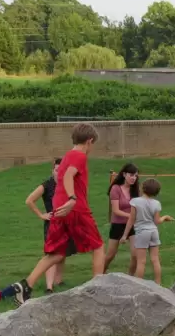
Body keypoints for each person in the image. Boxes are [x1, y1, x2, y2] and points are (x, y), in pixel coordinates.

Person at [9, 123, 104, 305]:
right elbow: (69, 175)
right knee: (98, 246)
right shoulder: (79, 156)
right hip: (74, 208)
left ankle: (26, 285)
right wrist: (72, 198)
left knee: (57, 253)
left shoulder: (67, 155)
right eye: (93, 145)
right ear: (90, 141)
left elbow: (65, 174)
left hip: (58, 209)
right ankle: (98, 288)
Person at [25, 158, 69, 293]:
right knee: (51, 254)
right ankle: (49, 287)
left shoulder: (67, 184)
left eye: (62, 170)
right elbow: (29, 200)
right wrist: (41, 215)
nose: (59, 173)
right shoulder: (47, 185)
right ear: (53, 170)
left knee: (62, 253)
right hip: (52, 223)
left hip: (65, 222)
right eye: (57, 170)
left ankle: (58, 280)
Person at [121, 178, 172, 285]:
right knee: (155, 259)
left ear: (142, 188)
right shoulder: (157, 203)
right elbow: (157, 221)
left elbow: (131, 219)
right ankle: (158, 284)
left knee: (141, 261)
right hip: (153, 232)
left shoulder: (135, 201)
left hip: (142, 232)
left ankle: (139, 285)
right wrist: (165, 217)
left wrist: (125, 235)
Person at [104, 163, 139, 273]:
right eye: (131, 175)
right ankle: (100, 273)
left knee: (135, 254)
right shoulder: (115, 189)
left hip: (132, 225)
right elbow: (116, 210)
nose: (133, 178)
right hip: (118, 224)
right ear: (124, 174)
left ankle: (131, 278)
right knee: (110, 255)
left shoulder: (135, 190)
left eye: (135, 176)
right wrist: (131, 216)